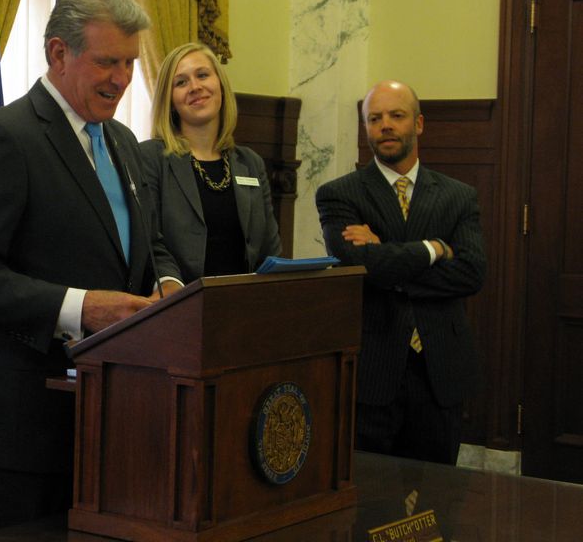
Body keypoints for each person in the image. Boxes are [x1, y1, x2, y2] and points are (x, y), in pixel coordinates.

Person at [0, 0, 182, 530]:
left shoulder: (119, 140)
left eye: (131, 63)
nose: (122, 79)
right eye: (108, 62)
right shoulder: (6, 137)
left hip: (116, 421)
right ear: (58, 53)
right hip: (28, 429)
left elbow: (148, 244)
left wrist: (169, 288)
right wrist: (80, 307)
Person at [315, 80, 486, 465]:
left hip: (440, 369)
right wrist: (435, 249)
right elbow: (362, 266)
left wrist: (384, 255)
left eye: (396, 116)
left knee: (438, 503)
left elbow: (471, 273)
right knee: (372, 499)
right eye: (375, 119)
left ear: (419, 124)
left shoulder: (459, 196)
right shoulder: (339, 194)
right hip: (373, 372)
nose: (385, 126)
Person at [139, 42, 281, 283]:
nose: (195, 87)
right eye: (181, 82)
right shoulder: (151, 157)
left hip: (245, 305)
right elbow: (149, 244)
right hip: (179, 306)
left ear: (221, 86)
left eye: (203, 75)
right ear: (170, 100)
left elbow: (270, 249)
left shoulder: (250, 162)